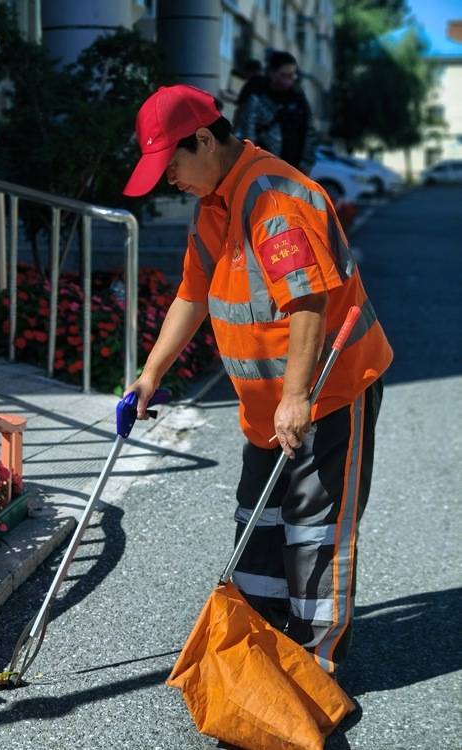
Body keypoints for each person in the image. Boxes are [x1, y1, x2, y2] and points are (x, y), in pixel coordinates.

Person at [123, 84, 393, 677]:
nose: (169, 181)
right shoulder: (215, 203)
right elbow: (192, 294)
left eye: (171, 167)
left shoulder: (271, 199)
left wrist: (297, 398)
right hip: (268, 406)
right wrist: (149, 376)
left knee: (316, 533)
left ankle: (314, 673)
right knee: (263, 524)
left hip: (327, 391)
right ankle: (266, 654)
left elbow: (307, 305)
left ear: (201, 141)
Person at [235, 50, 317, 175]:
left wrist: (305, 165)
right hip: (263, 167)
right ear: (272, 73)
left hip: (292, 169)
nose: (288, 80)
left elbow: (309, 132)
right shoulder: (257, 96)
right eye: (283, 75)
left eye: (292, 75)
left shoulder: (298, 98)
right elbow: (247, 132)